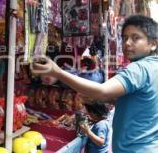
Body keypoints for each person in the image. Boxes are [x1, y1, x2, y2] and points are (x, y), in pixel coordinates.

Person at [32, 15, 158, 152]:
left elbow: (102, 90)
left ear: (153, 44)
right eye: (125, 38)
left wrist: (57, 72)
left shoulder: (138, 68)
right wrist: (102, 99)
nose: (127, 43)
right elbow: (139, 103)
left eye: (135, 38)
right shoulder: (153, 67)